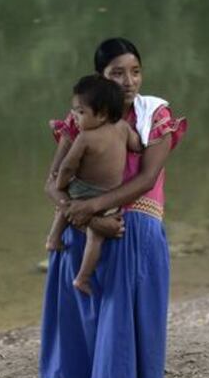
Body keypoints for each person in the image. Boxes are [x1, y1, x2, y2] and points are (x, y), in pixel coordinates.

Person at [39, 37, 188, 378]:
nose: (129, 81)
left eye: (135, 71)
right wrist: (86, 214)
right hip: (86, 220)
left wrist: (92, 208)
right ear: (100, 76)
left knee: (123, 305)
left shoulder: (154, 113)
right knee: (76, 288)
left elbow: (147, 178)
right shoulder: (84, 114)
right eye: (117, 73)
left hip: (133, 223)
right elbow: (52, 181)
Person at [45, 75, 143, 295]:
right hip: (108, 197)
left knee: (66, 204)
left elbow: (68, 166)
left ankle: (54, 238)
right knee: (95, 238)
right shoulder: (123, 128)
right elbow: (137, 145)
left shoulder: (85, 138)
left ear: (102, 114)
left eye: (80, 113)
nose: (75, 118)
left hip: (83, 190)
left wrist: (61, 183)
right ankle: (83, 277)